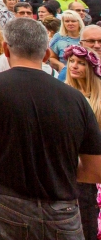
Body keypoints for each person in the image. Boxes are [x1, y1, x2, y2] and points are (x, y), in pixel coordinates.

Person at [0, 18, 101, 238]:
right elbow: (94, 170)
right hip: (62, 208)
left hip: (7, 204)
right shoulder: (75, 98)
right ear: (45, 54)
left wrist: (4, 159)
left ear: (5, 49)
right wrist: (56, 167)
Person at [63, 44, 101, 238]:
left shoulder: (98, 100)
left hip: (93, 171)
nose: (74, 66)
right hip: (68, 168)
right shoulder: (62, 94)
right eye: (71, 62)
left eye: (81, 63)